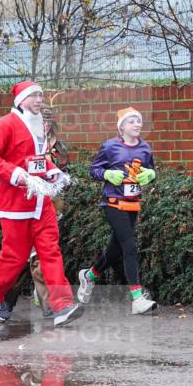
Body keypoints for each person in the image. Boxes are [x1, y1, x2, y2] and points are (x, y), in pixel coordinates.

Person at [0, 81, 83, 327]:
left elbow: (35, 160)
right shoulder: (5, 124)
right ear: (21, 100)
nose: (39, 99)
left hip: (41, 201)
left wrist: (53, 171)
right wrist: (16, 174)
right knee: (15, 256)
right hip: (15, 203)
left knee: (50, 250)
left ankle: (62, 304)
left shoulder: (38, 124)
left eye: (41, 95)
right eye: (34, 95)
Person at [76, 107, 157, 315]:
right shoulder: (110, 146)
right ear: (121, 127)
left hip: (133, 204)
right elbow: (94, 170)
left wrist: (150, 175)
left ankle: (89, 276)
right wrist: (108, 174)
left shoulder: (145, 148)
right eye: (131, 122)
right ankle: (137, 298)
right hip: (112, 203)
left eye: (139, 121)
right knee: (130, 246)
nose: (137, 125)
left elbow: (152, 170)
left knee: (116, 248)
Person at [4, 103, 70, 316]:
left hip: (49, 206)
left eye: (48, 121)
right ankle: (5, 296)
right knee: (26, 258)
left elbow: (61, 177)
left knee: (41, 257)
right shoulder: (23, 142)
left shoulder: (58, 148)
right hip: (24, 206)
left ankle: (50, 305)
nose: (45, 124)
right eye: (42, 119)